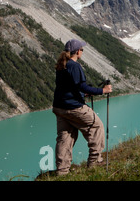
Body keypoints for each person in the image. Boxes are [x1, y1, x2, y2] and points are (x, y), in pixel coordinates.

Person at [52, 38, 112, 175]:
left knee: (65, 137)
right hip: (73, 107)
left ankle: (62, 171)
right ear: (77, 51)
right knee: (96, 127)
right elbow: (82, 86)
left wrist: (81, 94)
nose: (82, 52)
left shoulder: (62, 65)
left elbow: (68, 87)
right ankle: (95, 161)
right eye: (82, 50)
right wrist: (103, 91)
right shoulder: (75, 66)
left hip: (59, 107)